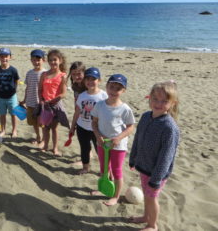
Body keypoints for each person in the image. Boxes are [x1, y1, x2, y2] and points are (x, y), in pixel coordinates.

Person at [129, 81, 180, 231]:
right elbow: (138, 139)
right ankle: (146, 217)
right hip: (143, 165)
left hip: (157, 173)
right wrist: (133, 158)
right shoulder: (145, 117)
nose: (158, 103)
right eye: (155, 99)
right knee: (146, 194)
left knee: (152, 198)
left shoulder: (169, 127)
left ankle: (152, 225)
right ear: (149, 98)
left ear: (172, 103)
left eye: (164, 101)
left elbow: (167, 156)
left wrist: (156, 178)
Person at [91, 74, 135, 206]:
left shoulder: (125, 109)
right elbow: (94, 122)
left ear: (123, 91)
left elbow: (131, 127)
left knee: (116, 170)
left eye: (118, 88)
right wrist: (98, 135)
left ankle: (115, 196)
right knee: (104, 168)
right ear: (107, 87)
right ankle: (105, 188)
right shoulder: (99, 105)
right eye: (111, 87)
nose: (113, 90)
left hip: (118, 145)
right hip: (102, 143)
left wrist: (118, 138)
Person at [69, 67, 108, 174]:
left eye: (93, 79)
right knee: (84, 149)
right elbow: (77, 112)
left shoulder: (104, 96)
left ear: (99, 80)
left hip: (98, 129)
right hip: (82, 127)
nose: (90, 82)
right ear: (84, 81)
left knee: (100, 151)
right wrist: (72, 127)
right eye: (88, 79)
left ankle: (104, 170)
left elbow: (108, 113)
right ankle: (86, 167)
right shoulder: (82, 96)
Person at [38, 49, 70, 156]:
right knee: (45, 127)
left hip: (55, 105)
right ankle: (46, 145)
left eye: (55, 60)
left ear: (60, 60)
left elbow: (63, 93)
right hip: (45, 105)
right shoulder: (44, 74)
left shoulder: (63, 76)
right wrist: (41, 100)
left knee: (54, 128)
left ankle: (55, 148)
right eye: (50, 60)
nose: (53, 62)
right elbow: (40, 90)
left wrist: (52, 101)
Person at [19, 49, 46, 146]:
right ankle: (38, 136)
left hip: (41, 103)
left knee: (42, 123)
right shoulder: (29, 73)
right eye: (34, 60)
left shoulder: (45, 73)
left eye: (38, 60)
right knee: (33, 122)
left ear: (43, 60)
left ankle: (43, 139)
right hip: (30, 102)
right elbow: (28, 87)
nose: (36, 62)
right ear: (31, 60)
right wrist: (24, 100)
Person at [0, 47, 19, 137]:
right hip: (1, 97)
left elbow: (16, 81)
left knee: (13, 114)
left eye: (6, 56)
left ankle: (14, 130)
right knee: (2, 114)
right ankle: (3, 130)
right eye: (2, 56)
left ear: (10, 57)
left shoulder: (13, 70)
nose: (4, 58)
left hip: (12, 97)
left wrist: (13, 90)